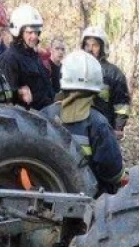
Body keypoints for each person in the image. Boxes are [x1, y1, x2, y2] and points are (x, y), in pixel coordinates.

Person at [42, 51, 123, 195]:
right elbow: (112, 172)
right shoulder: (98, 122)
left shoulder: (45, 114)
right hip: (88, 201)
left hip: (45, 194)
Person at [0, 4, 55, 110]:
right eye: (29, 32)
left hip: (46, 115)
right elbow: (5, 97)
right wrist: (18, 93)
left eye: (36, 32)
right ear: (19, 33)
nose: (34, 36)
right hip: (28, 121)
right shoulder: (9, 59)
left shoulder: (33, 55)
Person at [80, 26, 131, 139]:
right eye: (87, 45)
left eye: (95, 45)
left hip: (103, 127)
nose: (90, 49)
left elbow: (122, 103)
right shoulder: (75, 69)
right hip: (79, 126)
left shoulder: (114, 74)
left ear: (103, 48)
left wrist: (118, 127)